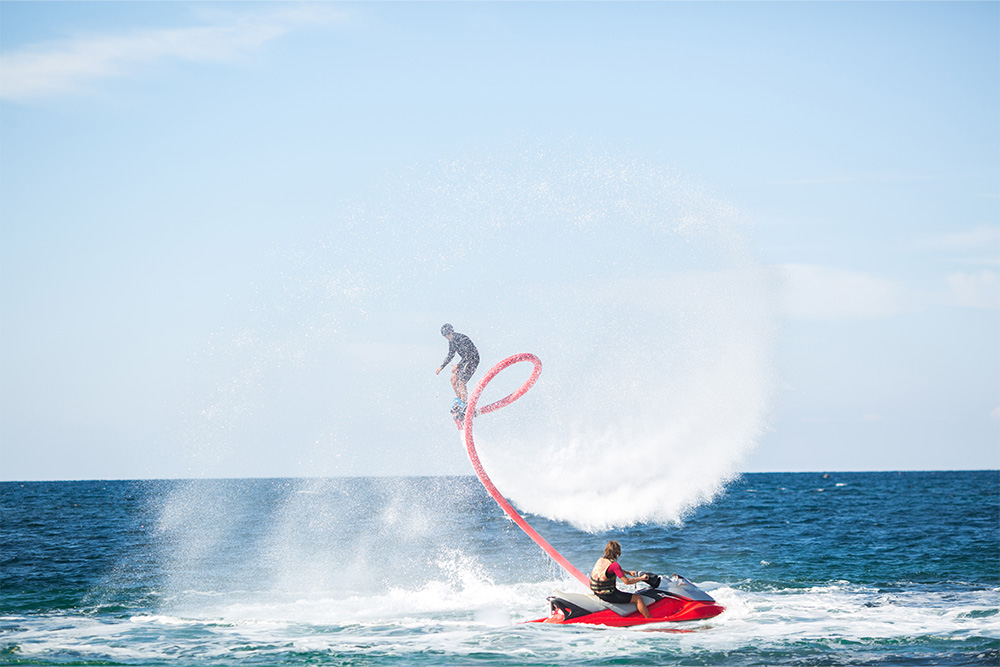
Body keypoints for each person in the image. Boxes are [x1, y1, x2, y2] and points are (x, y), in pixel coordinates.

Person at [589, 539, 652, 618]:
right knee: (638, 598)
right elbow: (627, 581)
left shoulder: (601, 560)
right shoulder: (614, 565)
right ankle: (649, 619)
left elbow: (610, 570)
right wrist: (641, 578)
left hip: (598, 592)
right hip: (608, 595)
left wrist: (628, 573)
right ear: (617, 552)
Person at [435, 324, 479, 404]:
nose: (448, 337)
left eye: (448, 335)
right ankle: (460, 400)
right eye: (445, 336)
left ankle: (464, 402)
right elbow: (451, 354)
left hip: (473, 360)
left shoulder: (462, 339)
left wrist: (458, 366)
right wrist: (441, 367)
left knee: (461, 382)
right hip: (465, 361)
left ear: (452, 332)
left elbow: (469, 355)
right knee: (453, 379)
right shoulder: (452, 342)